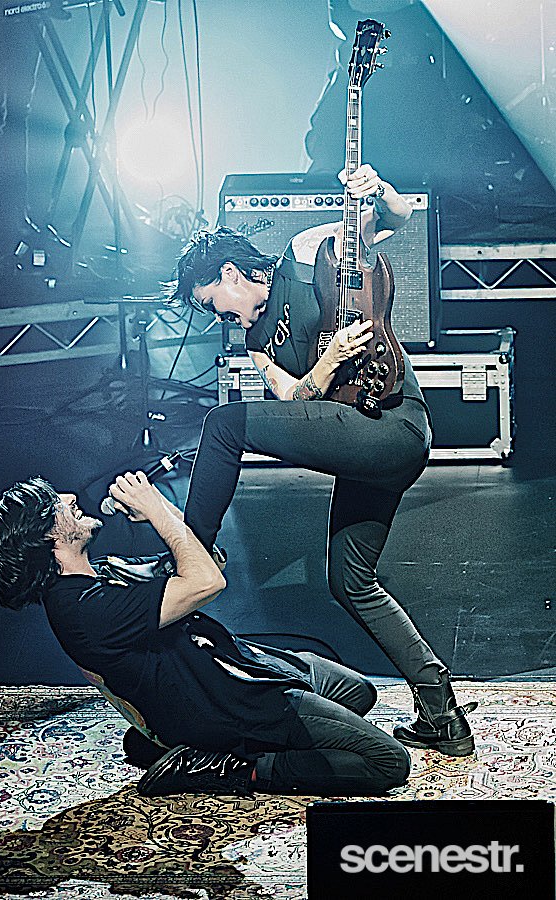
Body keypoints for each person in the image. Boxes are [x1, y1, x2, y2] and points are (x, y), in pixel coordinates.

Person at [172, 163, 477, 757]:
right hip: (362, 444)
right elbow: (295, 400)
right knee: (350, 581)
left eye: (215, 304)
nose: (220, 319)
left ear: (231, 272)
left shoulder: (307, 253)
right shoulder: (255, 343)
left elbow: (394, 220)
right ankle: (443, 715)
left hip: (394, 424)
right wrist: (328, 361)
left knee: (223, 426)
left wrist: (380, 192)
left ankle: (190, 555)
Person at [0, 471, 411, 797]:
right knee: (388, 763)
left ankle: (173, 746)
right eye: (56, 503)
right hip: (229, 703)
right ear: (46, 535)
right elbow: (207, 583)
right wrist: (155, 511)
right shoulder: (82, 611)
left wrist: (164, 512)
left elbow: (204, 562)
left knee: (360, 693)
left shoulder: (100, 575)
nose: (71, 498)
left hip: (236, 665)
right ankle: (232, 767)